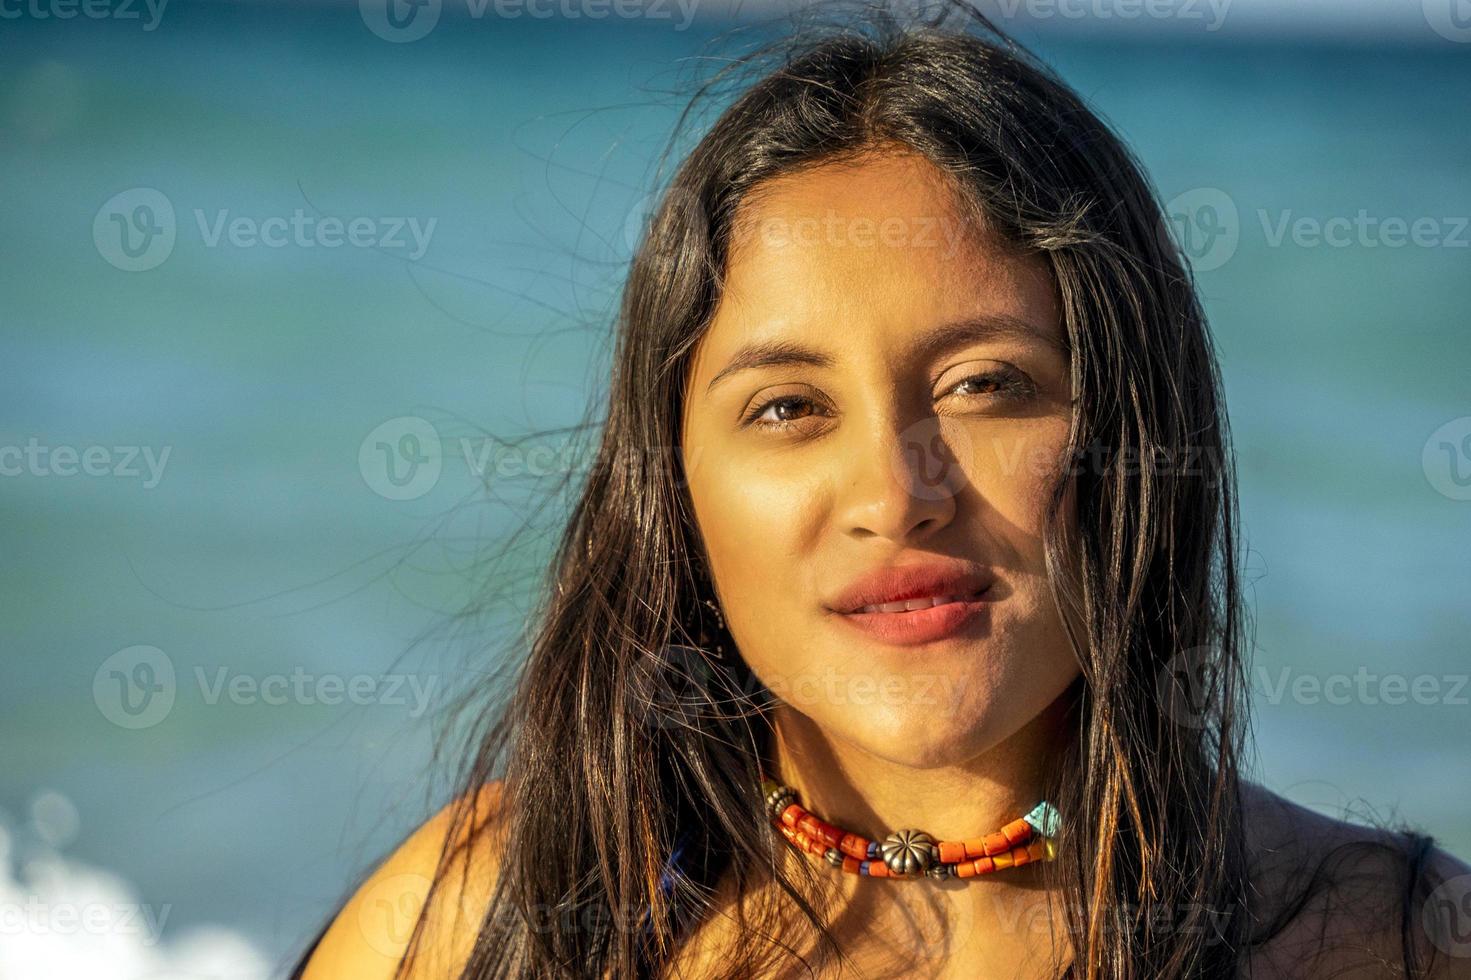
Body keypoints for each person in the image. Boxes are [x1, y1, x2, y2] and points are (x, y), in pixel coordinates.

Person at [295, 4, 1471, 977]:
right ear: (673, 489)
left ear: (1135, 423)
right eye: (787, 407)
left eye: (985, 383)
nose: (893, 494)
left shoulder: (1388, 942)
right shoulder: (476, 922)